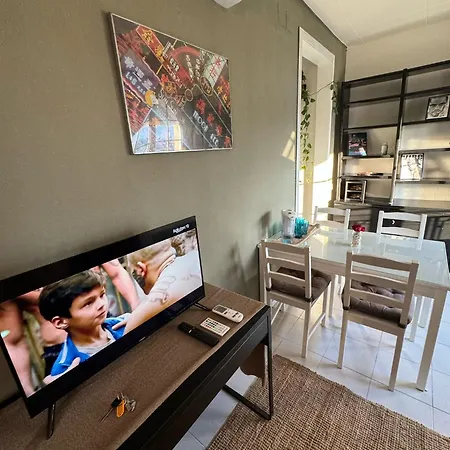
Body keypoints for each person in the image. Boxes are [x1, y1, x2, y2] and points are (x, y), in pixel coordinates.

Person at [38, 269, 160, 381]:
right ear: (60, 322)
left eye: (102, 295)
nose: (101, 304)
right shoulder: (64, 368)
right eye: (88, 303)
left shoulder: (126, 323)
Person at [125, 238, 202, 332]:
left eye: (133, 271)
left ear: (141, 269)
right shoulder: (195, 256)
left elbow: (128, 332)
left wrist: (137, 318)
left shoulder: (149, 306)